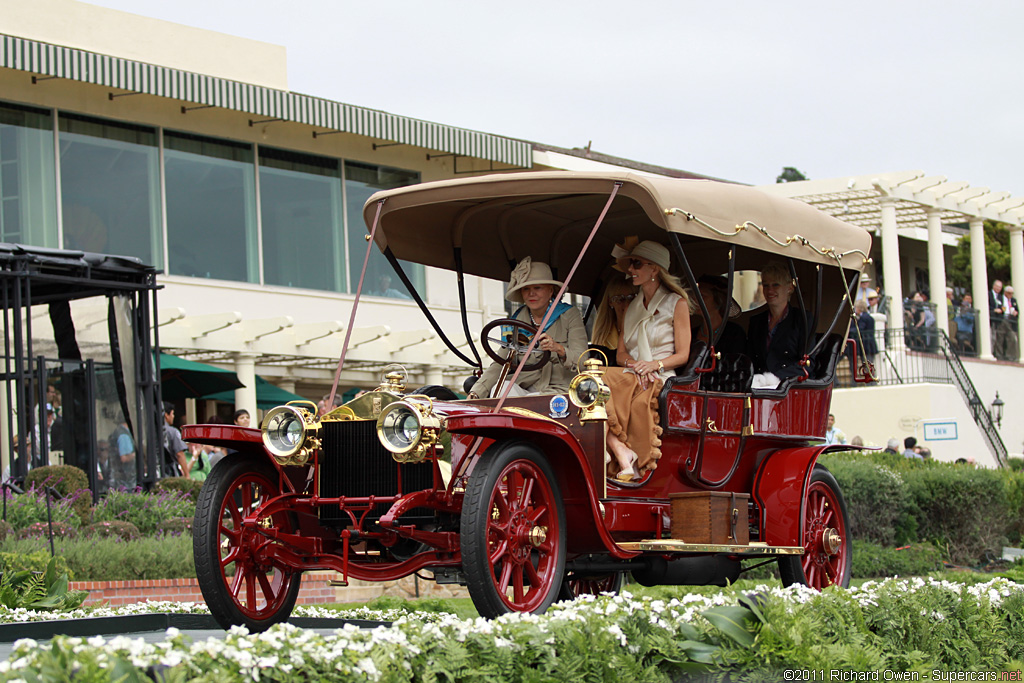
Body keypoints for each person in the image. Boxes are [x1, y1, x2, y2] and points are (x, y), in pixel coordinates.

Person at [602, 240, 691, 481]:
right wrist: (636, 365)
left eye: (637, 263)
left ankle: (621, 454)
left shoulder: (677, 303)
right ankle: (621, 452)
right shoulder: (631, 306)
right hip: (633, 373)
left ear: (655, 269)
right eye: (631, 263)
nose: (631, 269)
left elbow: (683, 355)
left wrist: (653, 365)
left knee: (598, 379)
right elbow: (621, 355)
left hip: (660, 375)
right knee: (593, 382)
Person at [469, 257, 588, 399]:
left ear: (550, 291)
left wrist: (558, 349)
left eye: (537, 288)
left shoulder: (570, 315)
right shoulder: (514, 322)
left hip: (559, 391)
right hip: (524, 389)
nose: (531, 293)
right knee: (500, 389)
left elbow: (583, 361)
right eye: (526, 289)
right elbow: (500, 363)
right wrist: (476, 392)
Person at [746, 261, 807, 388]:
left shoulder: (802, 319)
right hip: (757, 386)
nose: (770, 290)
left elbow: (807, 363)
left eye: (776, 285)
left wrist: (775, 378)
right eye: (766, 285)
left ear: (789, 287)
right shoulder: (756, 322)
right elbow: (750, 359)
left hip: (788, 387)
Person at [691, 274, 746, 354]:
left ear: (719, 301)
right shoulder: (692, 333)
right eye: (695, 295)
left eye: (702, 296)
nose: (695, 300)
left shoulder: (734, 333)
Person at [589, 277, 638, 366]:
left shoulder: (645, 329)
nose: (627, 304)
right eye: (620, 299)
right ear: (610, 302)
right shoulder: (603, 335)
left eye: (632, 298)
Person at [847, 299, 877, 374]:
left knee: (867, 365)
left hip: (866, 345)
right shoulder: (869, 317)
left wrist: (848, 330)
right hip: (870, 344)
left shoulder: (864, 318)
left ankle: (871, 383)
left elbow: (860, 329)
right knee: (869, 364)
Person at [162, 402, 189, 478]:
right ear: (166, 415)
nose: (173, 416)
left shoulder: (151, 431)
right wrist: (187, 475)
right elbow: (180, 454)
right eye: (172, 414)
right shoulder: (173, 432)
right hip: (170, 472)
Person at [108, 419, 136, 490]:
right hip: (125, 478)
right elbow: (124, 458)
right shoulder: (123, 435)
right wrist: (135, 455)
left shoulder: (118, 432)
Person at [990, 279, 1010, 360]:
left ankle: (997, 354)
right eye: (997, 286)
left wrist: (1001, 310)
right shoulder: (988, 294)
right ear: (994, 286)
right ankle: (990, 353)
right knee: (991, 338)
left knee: (997, 338)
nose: (998, 288)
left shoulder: (1000, 297)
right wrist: (993, 310)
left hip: (998, 320)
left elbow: (1002, 307)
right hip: (990, 319)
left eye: (1000, 287)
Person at [1005, 285, 1019, 361]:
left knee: (1013, 338)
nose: (1010, 295)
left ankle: (1011, 356)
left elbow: (1018, 311)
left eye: (1012, 293)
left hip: (1011, 322)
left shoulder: (1013, 301)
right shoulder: (1002, 299)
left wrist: (1016, 313)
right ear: (1005, 293)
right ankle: (1001, 355)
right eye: (1009, 293)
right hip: (1003, 320)